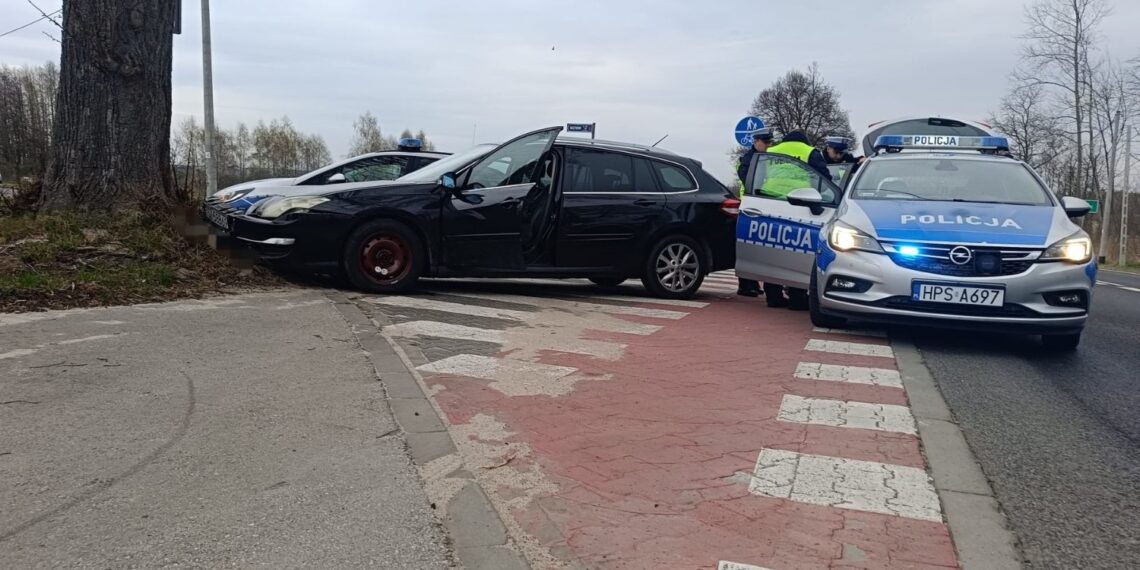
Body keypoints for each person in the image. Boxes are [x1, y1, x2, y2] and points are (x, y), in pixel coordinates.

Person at [758, 130, 830, 310]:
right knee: (797, 252)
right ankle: (797, 298)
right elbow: (825, 179)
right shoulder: (810, 152)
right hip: (800, 206)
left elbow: (758, 177)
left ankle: (773, 296)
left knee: (770, 252)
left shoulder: (771, 151)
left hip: (770, 202)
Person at [735, 128, 774, 297]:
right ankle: (746, 285)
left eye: (769, 143)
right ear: (756, 141)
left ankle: (753, 284)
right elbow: (750, 182)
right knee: (748, 247)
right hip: (749, 207)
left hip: (759, 206)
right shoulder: (748, 160)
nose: (768, 146)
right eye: (765, 142)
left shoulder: (762, 158)